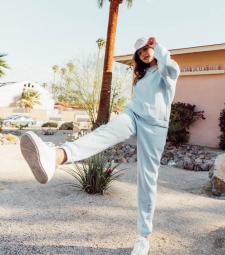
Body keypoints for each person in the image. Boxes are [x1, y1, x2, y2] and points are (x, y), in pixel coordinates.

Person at [20, 36, 180, 255]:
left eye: (146, 49)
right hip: (132, 115)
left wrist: (158, 47)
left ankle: (143, 237)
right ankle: (56, 157)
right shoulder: (140, 79)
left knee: (147, 178)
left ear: (153, 49)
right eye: (140, 51)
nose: (144, 53)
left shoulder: (166, 72)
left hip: (155, 127)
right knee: (104, 132)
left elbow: (170, 66)